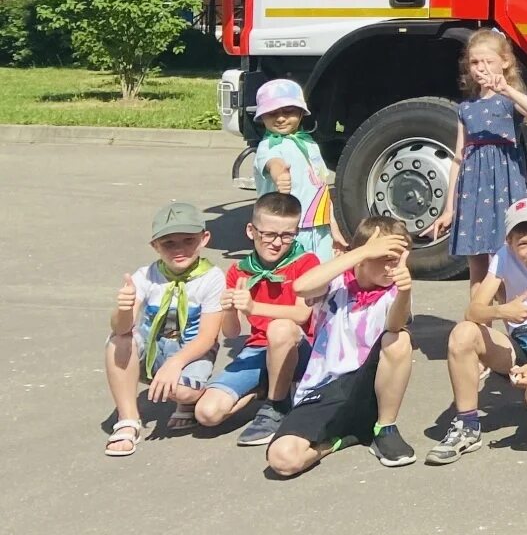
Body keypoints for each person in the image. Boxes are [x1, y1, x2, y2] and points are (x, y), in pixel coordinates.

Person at [427, 197, 527, 463]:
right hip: (519, 345)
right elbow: (472, 311)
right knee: (463, 333)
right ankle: (467, 424)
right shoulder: (504, 258)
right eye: (523, 244)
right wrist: (502, 311)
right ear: (509, 243)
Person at [265, 218, 416, 476]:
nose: (394, 267)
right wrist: (363, 251)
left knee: (399, 339)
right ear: (362, 258)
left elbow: (396, 323)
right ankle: (341, 439)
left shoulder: (393, 291)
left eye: (400, 259)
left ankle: (385, 428)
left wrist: (404, 292)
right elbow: (301, 287)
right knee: (283, 459)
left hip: (368, 388)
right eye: (387, 258)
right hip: (325, 388)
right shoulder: (337, 283)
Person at [103, 201, 226, 457]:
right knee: (117, 340)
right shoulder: (145, 276)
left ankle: (186, 401)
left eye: (188, 240)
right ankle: (128, 420)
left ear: (204, 239)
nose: (179, 249)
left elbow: (208, 337)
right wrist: (124, 309)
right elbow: (122, 328)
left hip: (190, 352)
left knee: (184, 390)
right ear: (155, 245)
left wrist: (175, 364)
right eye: (169, 243)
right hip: (153, 352)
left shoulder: (212, 278)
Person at [193, 192, 317, 446]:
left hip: (301, 348)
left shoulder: (306, 262)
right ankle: (266, 384)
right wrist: (229, 308)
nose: (276, 243)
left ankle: (276, 404)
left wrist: (254, 306)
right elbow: (231, 332)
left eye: (287, 235)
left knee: (280, 329)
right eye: (268, 234)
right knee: (207, 413)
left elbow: (302, 314)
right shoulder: (239, 270)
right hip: (258, 349)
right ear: (251, 231)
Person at [437, 28, 527, 288]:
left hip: (505, 184)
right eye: (475, 62)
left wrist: (508, 90)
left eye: (489, 62)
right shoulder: (466, 108)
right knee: (477, 260)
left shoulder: (509, 100)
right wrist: (449, 208)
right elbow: (458, 156)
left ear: (505, 62)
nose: (481, 68)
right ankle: (479, 323)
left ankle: (511, 321)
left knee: (510, 257)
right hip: (473, 189)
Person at [251, 78, 340, 260]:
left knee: (322, 276)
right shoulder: (268, 145)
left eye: (288, 111)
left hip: (319, 225)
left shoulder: (308, 143)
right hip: (287, 229)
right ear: (262, 118)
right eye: (272, 113)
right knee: (292, 277)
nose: (281, 118)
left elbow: (321, 186)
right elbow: (271, 162)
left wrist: (333, 225)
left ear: (301, 113)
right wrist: (279, 175)